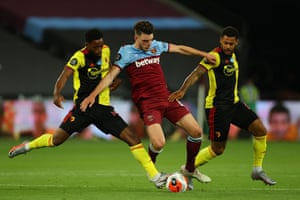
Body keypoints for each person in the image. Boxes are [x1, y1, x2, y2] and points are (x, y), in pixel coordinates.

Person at [7, 28, 167, 189]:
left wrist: (114, 81)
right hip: (83, 108)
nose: (99, 49)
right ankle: (26, 146)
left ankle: (155, 177)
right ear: (87, 45)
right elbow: (65, 75)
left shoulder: (106, 51)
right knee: (56, 140)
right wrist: (57, 93)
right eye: (95, 46)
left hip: (104, 109)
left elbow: (109, 68)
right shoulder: (79, 57)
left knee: (133, 139)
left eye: (101, 45)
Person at [80, 20, 217, 190]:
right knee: (159, 143)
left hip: (166, 98)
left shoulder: (156, 46)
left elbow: (180, 48)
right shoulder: (126, 52)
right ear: (136, 36)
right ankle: (151, 165)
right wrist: (92, 95)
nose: (148, 44)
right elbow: (109, 77)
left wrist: (204, 54)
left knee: (196, 132)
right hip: (148, 103)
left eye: (150, 40)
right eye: (145, 40)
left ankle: (189, 169)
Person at [168, 26, 276, 185]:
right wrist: (182, 90)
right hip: (217, 108)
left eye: (231, 44)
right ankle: (188, 169)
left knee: (260, 130)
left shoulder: (236, 54)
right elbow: (196, 73)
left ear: (236, 43)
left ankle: (257, 170)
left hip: (235, 104)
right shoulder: (214, 56)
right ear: (221, 40)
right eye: (225, 43)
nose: (227, 46)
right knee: (218, 149)